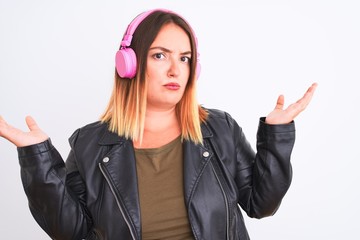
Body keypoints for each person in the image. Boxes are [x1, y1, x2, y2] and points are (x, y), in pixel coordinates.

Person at [0, 8, 317, 240]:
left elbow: (261, 204)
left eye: (184, 58)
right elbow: (69, 230)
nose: (175, 70)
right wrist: (37, 158)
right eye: (160, 56)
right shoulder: (90, 144)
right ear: (130, 64)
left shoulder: (220, 129)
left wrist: (276, 135)